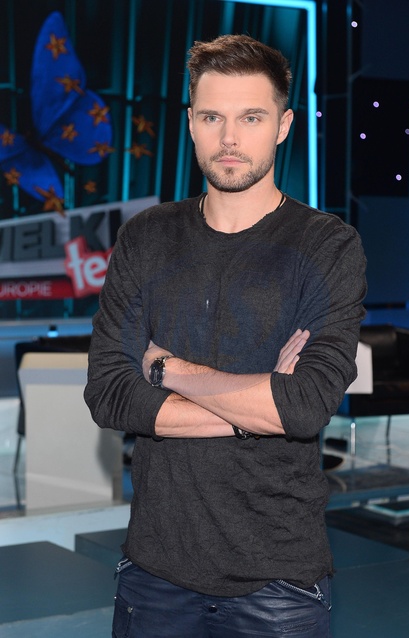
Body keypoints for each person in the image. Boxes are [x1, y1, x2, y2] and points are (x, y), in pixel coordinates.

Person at [84, 34, 367, 638]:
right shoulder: (146, 237)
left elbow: (304, 405)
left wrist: (165, 368)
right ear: (191, 122)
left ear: (284, 126)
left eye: (251, 117)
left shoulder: (328, 245)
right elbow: (108, 394)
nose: (230, 138)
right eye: (213, 117)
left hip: (279, 582)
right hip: (154, 573)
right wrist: (258, 407)